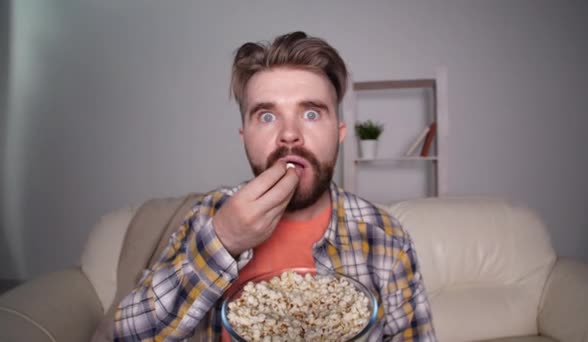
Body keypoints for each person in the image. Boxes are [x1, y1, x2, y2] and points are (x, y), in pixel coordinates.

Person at [113, 31, 436, 341]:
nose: (289, 134)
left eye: (310, 113)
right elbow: (128, 335)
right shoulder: (208, 216)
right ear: (245, 137)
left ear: (339, 133)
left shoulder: (384, 238)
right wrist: (224, 240)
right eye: (267, 116)